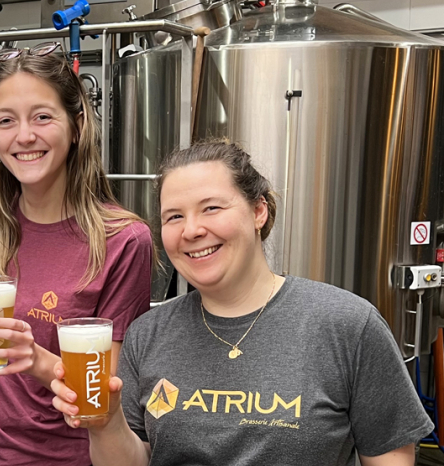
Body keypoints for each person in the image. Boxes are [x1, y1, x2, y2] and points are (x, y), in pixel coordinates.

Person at [50, 140, 434, 465]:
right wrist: (107, 422)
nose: (192, 230)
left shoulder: (348, 325)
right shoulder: (147, 334)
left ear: (258, 210)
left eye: (212, 208)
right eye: (174, 216)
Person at [0, 43, 154, 466]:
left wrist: (35, 359)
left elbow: (100, 392)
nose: (24, 136)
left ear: (77, 126)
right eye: (7, 121)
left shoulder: (124, 240)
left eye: (42, 116)